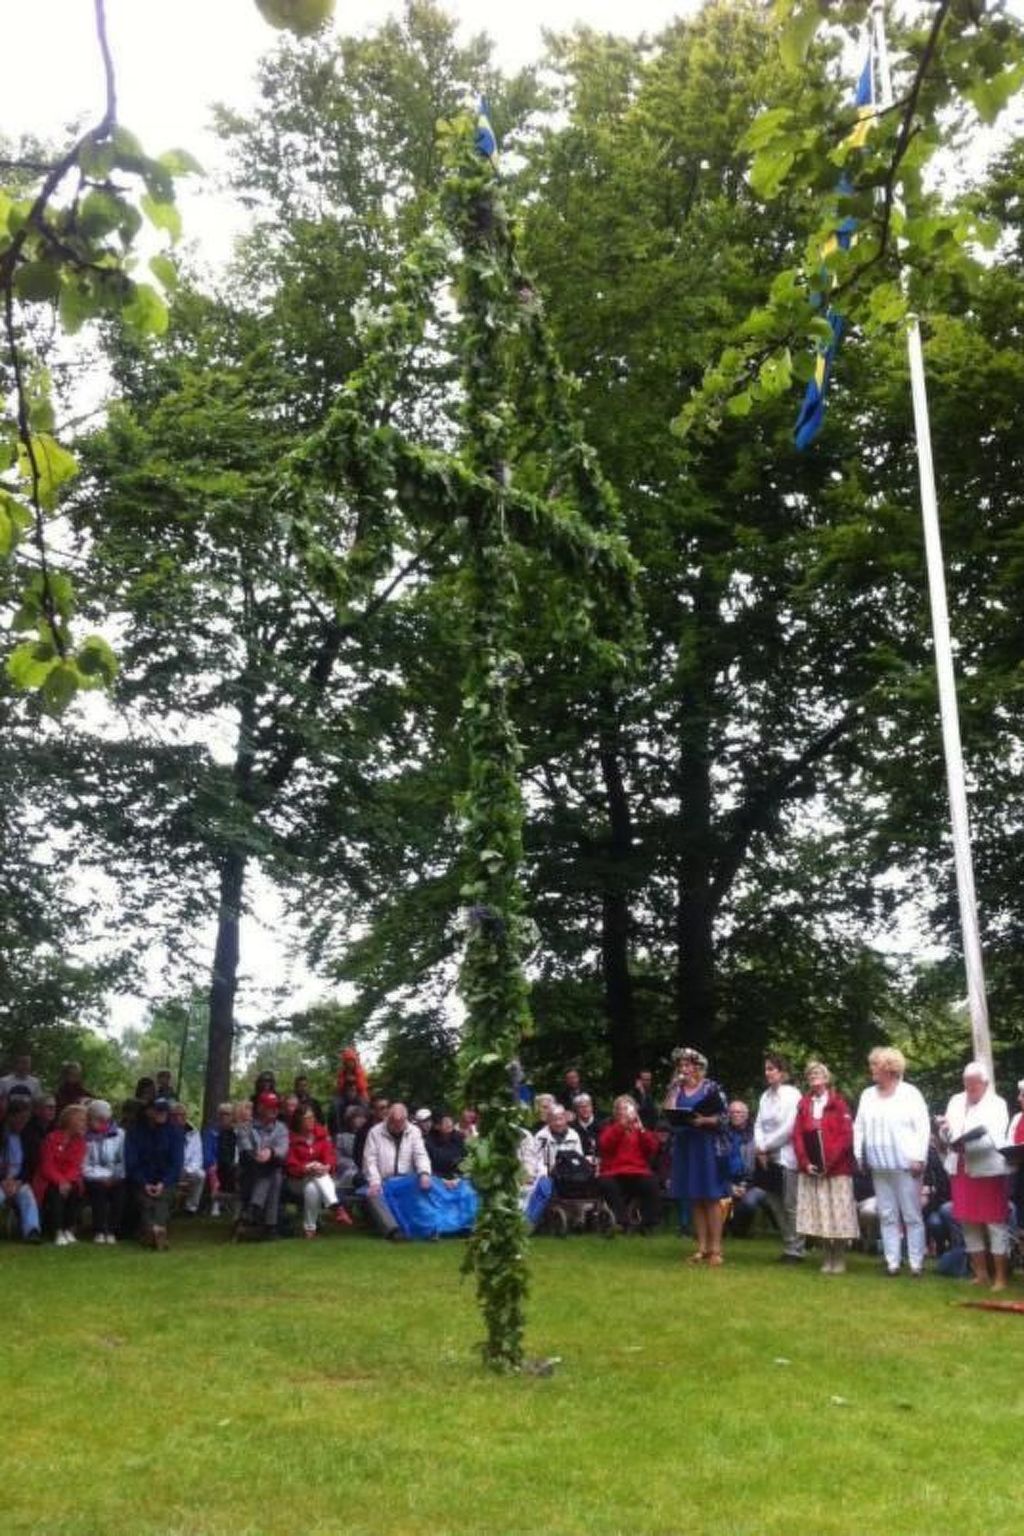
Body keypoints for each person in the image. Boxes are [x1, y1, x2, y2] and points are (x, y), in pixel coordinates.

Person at [853, 1047, 930, 1277]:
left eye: (875, 1065)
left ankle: (916, 1263)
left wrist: (919, 1157)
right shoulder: (867, 1095)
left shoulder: (910, 1093)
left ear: (889, 1068)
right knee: (887, 1214)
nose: (872, 1069)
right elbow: (859, 1126)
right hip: (879, 1164)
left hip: (906, 1164)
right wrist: (859, 1155)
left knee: (911, 1214)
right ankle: (892, 1263)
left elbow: (923, 1127)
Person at [938, 1061, 1010, 1291]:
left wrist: (966, 1145)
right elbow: (946, 1131)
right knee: (968, 1222)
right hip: (960, 1168)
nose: (969, 1090)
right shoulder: (955, 1101)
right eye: (966, 1085)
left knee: (994, 1223)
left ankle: (1000, 1277)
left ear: (985, 1083)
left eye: (974, 1086)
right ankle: (980, 1274)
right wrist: (944, 1129)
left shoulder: (997, 1104)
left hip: (987, 1170)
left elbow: (995, 1138)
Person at [663, 1048, 730, 1266]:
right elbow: (667, 1113)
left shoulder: (712, 1087)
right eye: (681, 1066)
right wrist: (672, 1091)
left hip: (707, 1146)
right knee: (694, 1197)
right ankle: (701, 1248)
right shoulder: (676, 1088)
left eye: (688, 1065)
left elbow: (725, 1117)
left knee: (710, 1197)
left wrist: (706, 1121)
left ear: (698, 1067)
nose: (684, 1069)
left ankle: (716, 1249)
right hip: (685, 1145)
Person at [792, 1062, 859, 1274]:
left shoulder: (839, 1103)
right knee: (820, 1214)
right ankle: (826, 1256)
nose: (814, 1076)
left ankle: (839, 1257)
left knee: (838, 1214)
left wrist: (828, 1163)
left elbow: (846, 1136)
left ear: (827, 1078)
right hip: (812, 1169)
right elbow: (797, 1136)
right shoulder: (803, 1104)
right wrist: (805, 1162)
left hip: (836, 1169)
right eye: (810, 1074)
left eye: (818, 1073)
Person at [753, 1053, 804, 1263]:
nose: (768, 1073)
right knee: (774, 1202)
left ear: (782, 1073)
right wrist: (759, 1147)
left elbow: (789, 1127)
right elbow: (758, 1124)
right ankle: (788, 1243)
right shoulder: (765, 1096)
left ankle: (797, 1249)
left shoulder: (792, 1094)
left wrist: (765, 1146)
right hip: (766, 1156)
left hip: (786, 1157)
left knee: (790, 1204)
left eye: (772, 1069)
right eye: (766, 1069)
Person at [362, 1103, 432, 1239]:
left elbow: (421, 1155)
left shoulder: (414, 1131)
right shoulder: (374, 1132)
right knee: (372, 1196)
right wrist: (374, 1182)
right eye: (395, 1123)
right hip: (382, 1180)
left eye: (401, 1123)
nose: (398, 1127)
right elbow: (369, 1160)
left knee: (425, 1186)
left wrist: (424, 1173)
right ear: (388, 1119)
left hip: (406, 1179)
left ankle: (427, 1228)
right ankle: (393, 1230)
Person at [125, 1097, 185, 1250]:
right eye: (157, 1110)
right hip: (141, 1179)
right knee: (146, 1203)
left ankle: (155, 1230)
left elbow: (176, 1164)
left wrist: (163, 1183)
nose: (161, 1114)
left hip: (165, 1180)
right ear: (147, 1112)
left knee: (162, 1201)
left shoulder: (175, 1133)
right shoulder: (135, 1133)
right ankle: (156, 1231)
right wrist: (144, 1183)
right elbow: (132, 1163)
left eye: (165, 1111)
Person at [597, 1094, 661, 1235]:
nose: (624, 1112)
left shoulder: (639, 1130)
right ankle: (622, 1221)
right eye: (621, 1109)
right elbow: (605, 1145)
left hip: (637, 1171)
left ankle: (648, 1223)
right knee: (607, 1184)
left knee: (652, 1183)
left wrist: (642, 1131)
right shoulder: (609, 1127)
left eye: (628, 1109)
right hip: (614, 1172)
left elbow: (652, 1148)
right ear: (616, 1112)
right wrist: (621, 1127)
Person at [33, 1103, 87, 1245]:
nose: (84, 1124)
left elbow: (76, 1165)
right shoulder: (51, 1138)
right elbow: (47, 1165)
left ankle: (68, 1229)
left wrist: (67, 1181)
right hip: (48, 1179)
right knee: (56, 1192)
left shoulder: (81, 1142)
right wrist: (60, 1181)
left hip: (70, 1179)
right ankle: (57, 1231)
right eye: (81, 1120)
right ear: (70, 1120)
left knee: (74, 1190)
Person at [237, 1092, 288, 1238]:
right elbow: (245, 1151)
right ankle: (270, 1226)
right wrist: (258, 1156)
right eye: (269, 1107)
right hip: (248, 1174)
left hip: (271, 1168)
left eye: (276, 1107)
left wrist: (270, 1153)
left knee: (274, 1173)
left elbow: (282, 1152)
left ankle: (254, 1209)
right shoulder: (246, 1127)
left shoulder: (281, 1128)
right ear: (260, 1108)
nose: (274, 1110)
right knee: (273, 1174)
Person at [285, 1107, 339, 1238]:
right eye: (307, 1118)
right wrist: (306, 1168)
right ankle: (336, 1205)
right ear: (299, 1121)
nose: (311, 1121)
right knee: (313, 1171)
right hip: (296, 1180)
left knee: (312, 1189)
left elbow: (330, 1156)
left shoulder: (321, 1135)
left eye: (312, 1117)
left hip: (319, 1179)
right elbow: (290, 1165)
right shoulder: (291, 1139)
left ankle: (310, 1229)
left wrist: (326, 1166)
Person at [83, 1099, 126, 1244]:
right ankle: (99, 1230)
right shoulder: (85, 1136)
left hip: (114, 1175)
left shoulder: (120, 1134)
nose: (103, 1123)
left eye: (106, 1120)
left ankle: (113, 1230)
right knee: (98, 1190)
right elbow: (84, 1165)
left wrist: (115, 1176)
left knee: (120, 1191)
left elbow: (122, 1160)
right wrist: (101, 1177)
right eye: (99, 1119)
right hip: (94, 1177)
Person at [0, 1096, 42, 1241]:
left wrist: (18, 1181)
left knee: (27, 1195)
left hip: (18, 1180)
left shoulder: (28, 1136)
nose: (23, 1122)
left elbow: (30, 1165)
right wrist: (3, 1181)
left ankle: (32, 1231)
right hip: (2, 1180)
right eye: (20, 1118)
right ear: (10, 1116)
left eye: (26, 1118)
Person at [202, 1103, 238, 1218]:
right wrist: (212, 1163)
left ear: (233, 1116)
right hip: (215, 1164)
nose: (224, 1117)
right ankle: (216, 1203)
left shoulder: (236, 1133)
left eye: (227, 1114)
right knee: (214, 1170)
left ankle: (235, 1207)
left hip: (232, 1164)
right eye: (222, 1114)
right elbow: (207, 1152)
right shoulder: (211, 1132)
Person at [171, 1103, 206, 1214]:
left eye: (181, 1115)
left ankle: (190, 1208)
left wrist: (187, 1170)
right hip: (169, 1169)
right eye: (175, 1115)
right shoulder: (165, 1131)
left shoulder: (194, 1133)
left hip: (187, 1169)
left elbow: (197, 1157)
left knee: (200, 1175)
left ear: (185, 1116)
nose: (178, 1118)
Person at [534, 1105, 584, 1176]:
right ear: (548, 1121)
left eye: (561, 1119)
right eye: (554, 1120)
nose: (558, 1123)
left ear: (566, 1119)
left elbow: (579, 1158)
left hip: (570, 1175)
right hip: (547, 1175)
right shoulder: (541, 1136)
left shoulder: (573, 1135)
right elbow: (537, 1161)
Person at [425, 1114, 466, 1180]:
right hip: (435, 1176)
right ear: (437, 1126)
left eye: (450, 1121)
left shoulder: (458, 1138)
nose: (448, 1123)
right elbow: (435, 1159)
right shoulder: (430, 1139)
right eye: (445, 1121)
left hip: (454, 1176)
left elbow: (462, 1158)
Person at [572, 1094, 603, 1159]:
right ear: (576, 1109)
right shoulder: (572, 1128)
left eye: (587, 1106)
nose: (585, 1109)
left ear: (592, 1107)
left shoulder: (602, 1125)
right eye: (581, 1107)